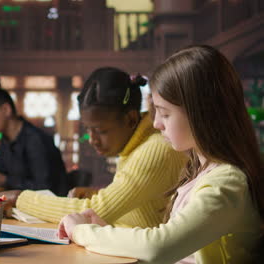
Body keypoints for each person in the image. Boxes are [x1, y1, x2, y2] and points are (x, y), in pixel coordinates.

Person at [58, 45, 264, 263]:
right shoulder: (201, 171)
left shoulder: (227, 183)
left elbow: (158, 247)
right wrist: (103, 229)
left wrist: (82, 231)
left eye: (165, 114)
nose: (156, 124)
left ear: (200, 113)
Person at [0, 67, 186, 228]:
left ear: (131, 119)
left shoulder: (154, 149)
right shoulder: (137, 147)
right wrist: (97, 193)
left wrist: (19, 198)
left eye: (100, 130)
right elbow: (138, 202)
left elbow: (93, 211)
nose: (92, 139)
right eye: (88, 130)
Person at [0, 75, 68, 196]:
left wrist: (6, 180)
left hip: (49, 208)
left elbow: (44, 187)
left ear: (6, 109)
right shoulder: (6, 140)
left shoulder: (35, 139)